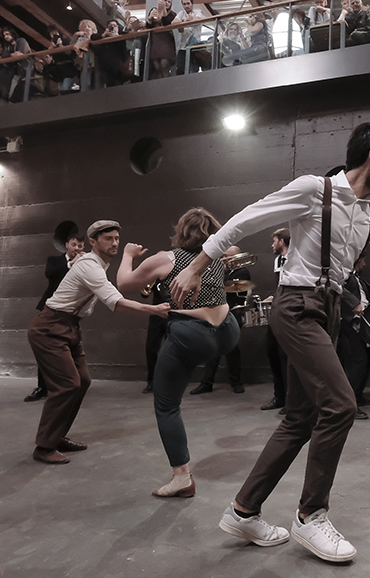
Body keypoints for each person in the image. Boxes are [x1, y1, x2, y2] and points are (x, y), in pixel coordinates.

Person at [169, 122, 370, 562]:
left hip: (331, 309)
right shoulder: (313, 189)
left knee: (299, 419)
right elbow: (246, 220)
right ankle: (311, 516)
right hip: (297, 305)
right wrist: (198, 265)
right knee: (341, 405)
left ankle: (243, 510)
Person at [116, 208, 242, 497]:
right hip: (228, 331)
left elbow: (124, 284)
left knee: (167, 404)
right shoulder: (217, 256)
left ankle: (181, 478)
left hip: (193, 334)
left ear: (181, 231)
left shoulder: (166, 258)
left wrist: (128, 255)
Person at [28, 220, 169, 464]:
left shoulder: (97, 264)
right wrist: (154, 309)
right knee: (67, 384)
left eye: (116, 238)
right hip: (50, 327)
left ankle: (56, 435)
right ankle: (43, 446)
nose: (114, 243)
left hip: (70, 326)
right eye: (108, 239)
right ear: (93, 242)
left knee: (82, 381)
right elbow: (117, 302)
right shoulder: (91, 266)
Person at [25, 233, 84, 403]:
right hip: (50, 308)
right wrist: (71, 264)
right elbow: (51, 274)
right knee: (45, 347)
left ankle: (69, 385)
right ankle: (42, 387)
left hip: (70, 312)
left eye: (80, 246)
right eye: (74, 245)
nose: (77, 249)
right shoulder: (55, 261)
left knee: (69, 348)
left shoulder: (83, 263)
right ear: (67, 245)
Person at [188, 264, 247, 395]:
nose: (224, 258)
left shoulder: (242, 272)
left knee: (232, 349)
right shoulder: (220, 271)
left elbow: (238, 290)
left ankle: (236, 383)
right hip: (217, 312)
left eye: (228, 256)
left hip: (233, 313)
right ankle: (206, 383)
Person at [337, 252, 370, 419]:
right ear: (357, 260)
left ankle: (358, 394)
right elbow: (338, 289)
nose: (365, 265)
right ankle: (349, 405)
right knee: (359, 360)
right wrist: (354, 304)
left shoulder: (357, 278)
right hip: (348, 323)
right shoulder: (344, 276)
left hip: (359, 324)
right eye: (363, 261)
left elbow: (368, 295)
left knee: (368, 356)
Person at [259, 227, 290, 411]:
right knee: (272, 351)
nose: (272, 245)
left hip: (291, 313)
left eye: (274, 241)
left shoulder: (296, 258)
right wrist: (274, 297)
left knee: (286, 357)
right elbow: (280, 285)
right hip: (278, 310)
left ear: (282, 241)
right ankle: (280, 397)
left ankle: (292, 400)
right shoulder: (278, 260)